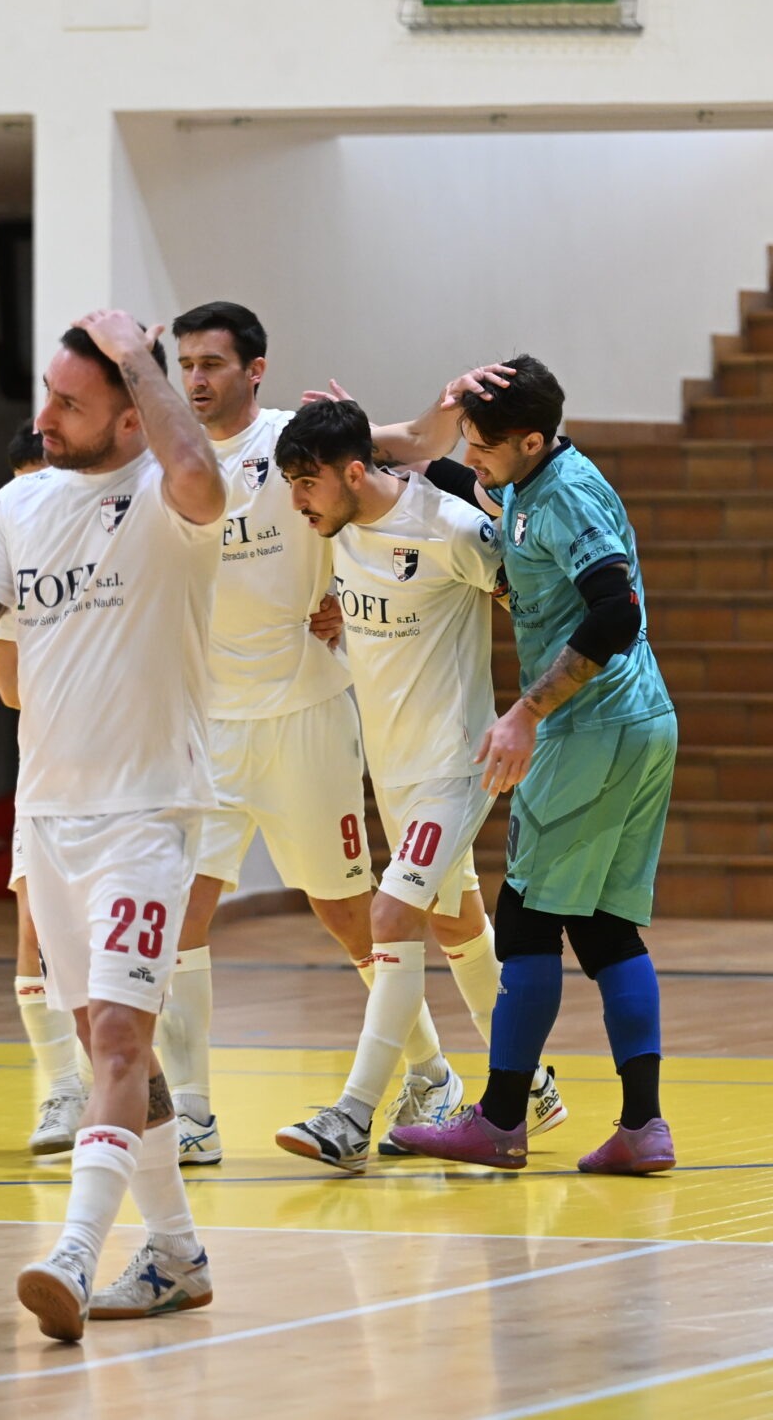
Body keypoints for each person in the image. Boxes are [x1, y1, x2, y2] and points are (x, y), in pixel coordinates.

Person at [0, 311, 224, 1341]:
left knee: (116, 1035)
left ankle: (74, 1249)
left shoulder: (172, 494)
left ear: (125, 417)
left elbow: (194, 463)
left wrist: (148, 364)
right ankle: (175, 1253)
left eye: (70, 401)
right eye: (47, 393)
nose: (44, 416)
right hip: (50, 818)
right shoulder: (20, 502)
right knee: (107, 1042)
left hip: (147, 815)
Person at [160, 306, 537, 1156]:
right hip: (208, 727)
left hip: (310, 716)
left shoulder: (296, 442)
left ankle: (442, 1073)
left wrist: (447, 412)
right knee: (180, 918)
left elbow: (400, 443)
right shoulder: (173, 466)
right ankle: (192, 1112)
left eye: (212, 362)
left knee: (359, 918)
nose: (196, 379)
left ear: (255, 370)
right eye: (184, 363)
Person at [387, 355, 680, 1176]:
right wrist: (409, 423)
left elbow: (616, 611)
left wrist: (526, 713)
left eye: (483, 443)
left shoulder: (567, 495)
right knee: (603, 927)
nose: (471, 456)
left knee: (521, 922)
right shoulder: (526, 476)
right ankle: (642, 1128)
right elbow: (436, 468)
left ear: (530, 438)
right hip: (639, 722)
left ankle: (503, 1118)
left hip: (592, 728)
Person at [266, 398, 564, 1170]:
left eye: (306, 484)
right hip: (392, 775)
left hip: (452, 769)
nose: (297, 501)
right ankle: (530, 1083)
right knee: (458, 923)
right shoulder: (339, 533)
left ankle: (352, 1116)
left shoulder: (449, 530)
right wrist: (341, 615)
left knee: (390, 918)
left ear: (353, 472)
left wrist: (525, 715)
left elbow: (537, 605)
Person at [0, 424, 95, 1159]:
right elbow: (11, 689)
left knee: (136, 939)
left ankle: (169, 1098)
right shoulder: (9, 580)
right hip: (50, 773)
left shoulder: (120, 550)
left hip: (137, 772)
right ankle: (62, 1089)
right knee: (35, 933)